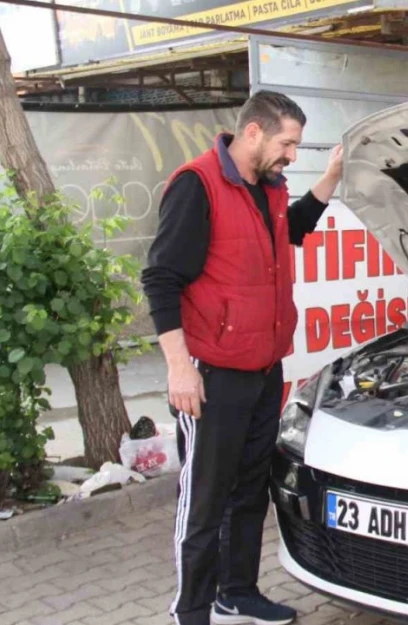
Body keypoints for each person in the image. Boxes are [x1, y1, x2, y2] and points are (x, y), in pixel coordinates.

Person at [141, 90, 343, 625]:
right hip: (210, 374)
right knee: (205, 501)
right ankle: (192, 610)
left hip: (262, 369)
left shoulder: (270, 188)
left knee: (251, 488)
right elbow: (161, 279)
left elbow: (293, 228)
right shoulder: (198, 184)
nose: (292, 156)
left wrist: (332, 180)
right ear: (252, 132)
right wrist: (179, 366)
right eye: (287, 143)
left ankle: (238, 592)